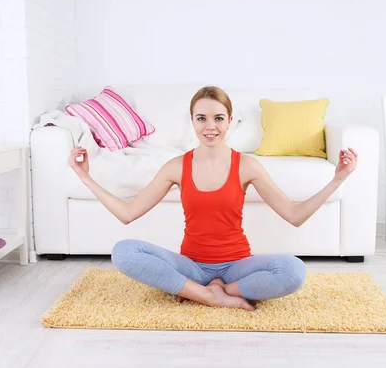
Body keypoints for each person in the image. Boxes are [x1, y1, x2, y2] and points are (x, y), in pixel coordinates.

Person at [69, 86, 358, 312]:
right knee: (124, 251)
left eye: (219, 118)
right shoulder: (175, 167)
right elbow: (128, 213)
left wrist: (338, 178)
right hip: (191, 266)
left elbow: (294, 216)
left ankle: (219, 290)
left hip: (236, 267)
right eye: (202, 118)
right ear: (192, 121)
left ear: (230, 121)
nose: (211, 126)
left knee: (294, 271)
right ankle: (207, 294)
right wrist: (85, 177)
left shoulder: (246, 165)